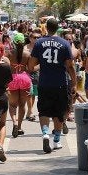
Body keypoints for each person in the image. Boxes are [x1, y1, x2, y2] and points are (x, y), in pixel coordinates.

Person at [29, 18, 76, 154]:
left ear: (46, 28)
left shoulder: (39, 43)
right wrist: (73, 82)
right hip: (60, 83)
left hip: (44, 83)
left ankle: (45, 134)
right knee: (59, 112)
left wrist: (41, 66)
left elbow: (31, 66)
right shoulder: (64, 43)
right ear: (58, 28)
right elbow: (70, 65)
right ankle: (56, 140)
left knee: (43, 110)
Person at [6, 33, 32, 138]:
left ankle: (14, 123)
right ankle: (20, 126)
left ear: (14, 43)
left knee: (12, 105)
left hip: (12, 79)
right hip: (25, 78)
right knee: (22, 105)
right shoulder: (27, 54)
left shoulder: (9, 53)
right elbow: (30, 68)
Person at [25, 30, 41, 122]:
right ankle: (30, 111)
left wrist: (37, 67)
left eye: (39, 37)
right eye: (35, 37)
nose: (37, 39)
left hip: (38, 72)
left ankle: (30, 111)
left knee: (34, 93)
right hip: (27, 73)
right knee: (29, 92)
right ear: (30, 39)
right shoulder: (25, 48)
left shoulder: (41, 48)